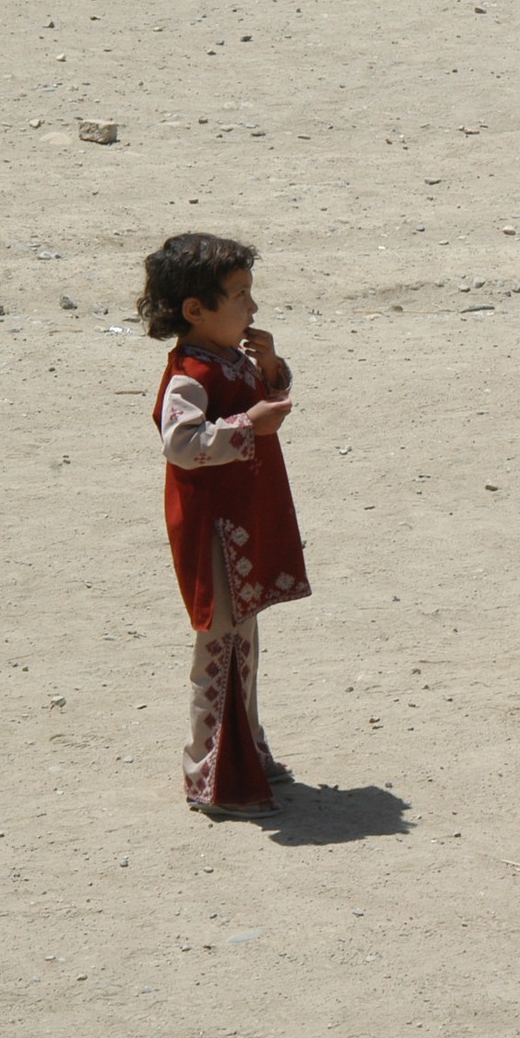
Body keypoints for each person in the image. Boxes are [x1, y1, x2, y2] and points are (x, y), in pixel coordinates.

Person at [140, 233, 310, 819]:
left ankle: (247, 752)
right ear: (195, 309)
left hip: (240, 523)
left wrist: (268, 369)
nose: (252, 308)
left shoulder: (228, 358)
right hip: (214, 531)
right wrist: (246, 426)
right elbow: (180, 444)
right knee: (220, 644)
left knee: (244, 644)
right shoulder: (189, 372)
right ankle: (209, 774)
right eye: (239, 296)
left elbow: (266, 403)